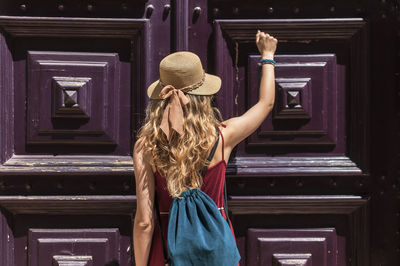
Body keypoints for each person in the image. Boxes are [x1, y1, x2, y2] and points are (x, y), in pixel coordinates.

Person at [133, 31, 277, 266]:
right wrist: (267, 55)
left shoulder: (147, 146)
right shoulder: (223, 136)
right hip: (215, 253)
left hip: (168, 253)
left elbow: (144, 222)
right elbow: (266, 104)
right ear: (203, 95)